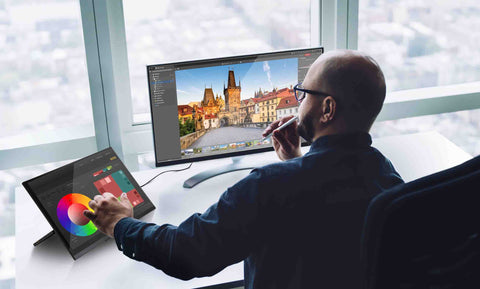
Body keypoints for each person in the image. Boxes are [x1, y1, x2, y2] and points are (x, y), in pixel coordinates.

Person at [84, 50, 404, 288]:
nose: (297, 102)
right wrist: (296, 161)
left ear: (328, 109)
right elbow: (329, 224)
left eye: (303, 94)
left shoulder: (268, 186)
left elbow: (187, 253)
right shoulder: (386, 175)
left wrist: (119, 224)